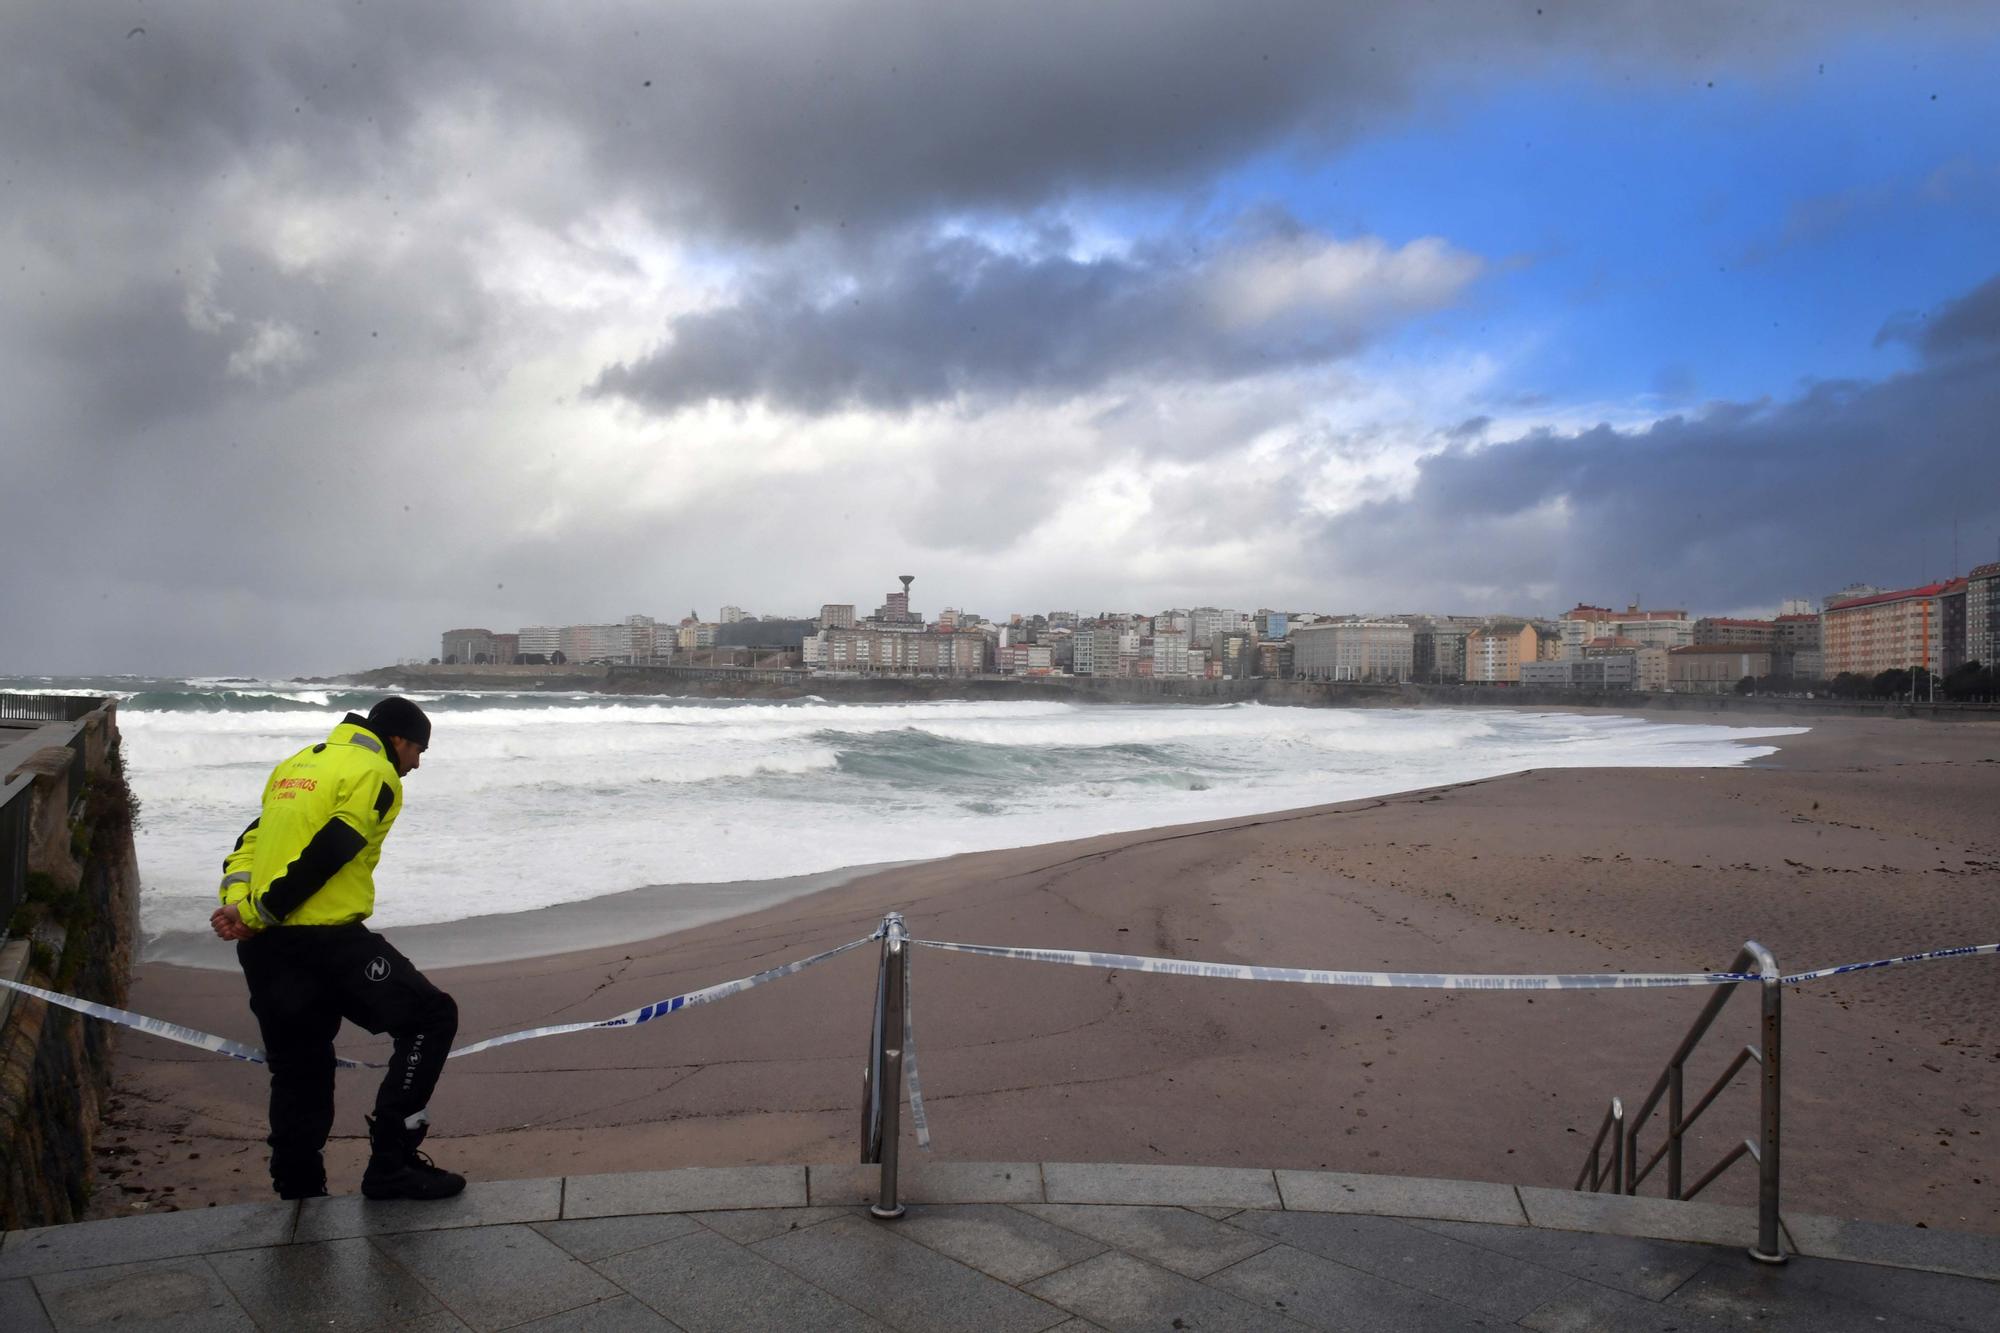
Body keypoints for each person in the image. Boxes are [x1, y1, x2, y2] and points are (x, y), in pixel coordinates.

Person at [209, 696, 465, 1202]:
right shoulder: (376, 772)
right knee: (432, 1018)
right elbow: (333, 850)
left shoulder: (299, 763)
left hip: (265, 950)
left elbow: (246, 846)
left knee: (298, 1070)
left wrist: (239, 907)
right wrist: (261, 912)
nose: (416, 763)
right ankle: (392, 1163)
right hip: (325, 943)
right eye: (418, 750)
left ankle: (299, 1194)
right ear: (397, 740)